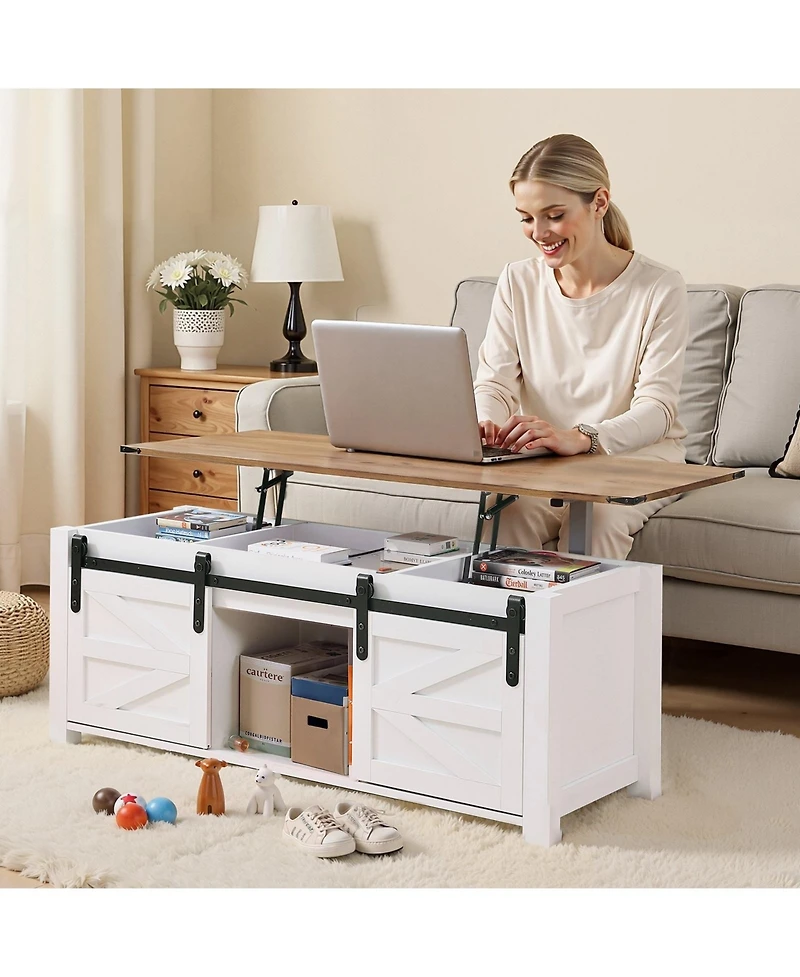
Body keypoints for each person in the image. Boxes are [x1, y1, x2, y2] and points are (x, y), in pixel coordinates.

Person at [474, 133, 689, 560]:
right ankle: (509, 628)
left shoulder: (659, 287)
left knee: (595, 516)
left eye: (554, 215)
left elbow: (658, 409)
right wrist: (484, 427)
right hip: (542, 459)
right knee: (502, 511)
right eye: (526, 218)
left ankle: (588, 629)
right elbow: (495, 384)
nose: (539, 233)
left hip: (634, 459)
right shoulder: (518, 280)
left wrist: (585, 438)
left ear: (599, 202)